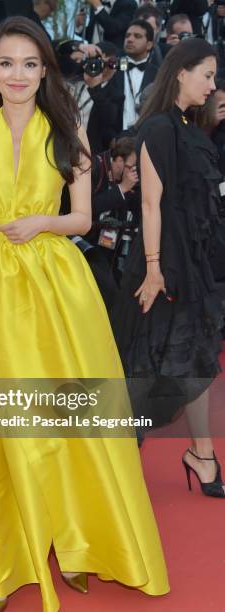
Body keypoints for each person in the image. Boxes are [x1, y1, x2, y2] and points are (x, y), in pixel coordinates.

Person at [0, 16, 169, 611]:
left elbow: (83, 219)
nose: (17, 74)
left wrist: (43, 221)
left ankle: (79, 542)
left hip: (52, 285)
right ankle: (4, 565)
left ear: (45, 71)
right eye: (6, 63)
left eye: (30, 64)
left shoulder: (69, 128)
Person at [111, 38, 225, 498]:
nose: (213, 85)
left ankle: (202, 453)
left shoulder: (192, 128)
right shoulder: (158, 128)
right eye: (208, 75)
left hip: (192, 262)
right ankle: (117, 463)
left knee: (193, 357)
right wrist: (155, 270)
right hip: (162, 262)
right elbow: (151, 204)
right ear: (181, 71)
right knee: (145, 365)